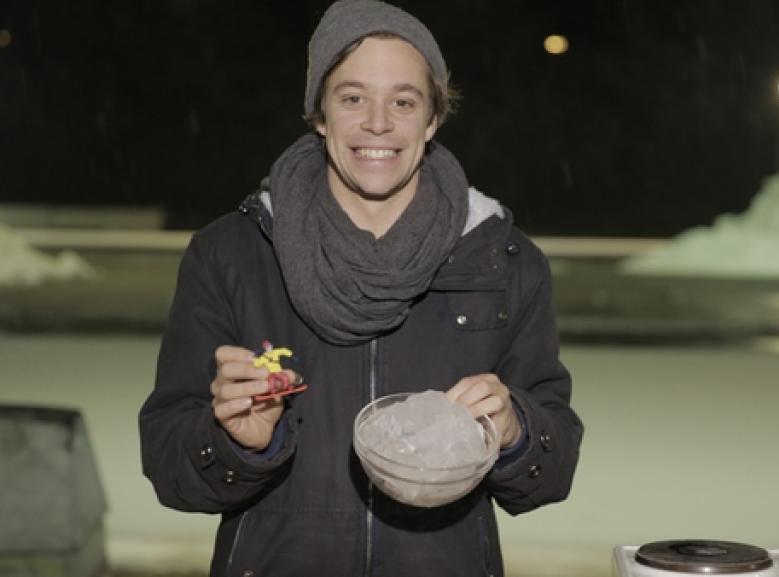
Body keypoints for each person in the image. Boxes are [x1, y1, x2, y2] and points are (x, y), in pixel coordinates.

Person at [138, 1, 583, 575]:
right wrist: (237, 442)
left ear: (432, 120)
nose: (378, 123)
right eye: (352, 98)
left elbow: (552, 473)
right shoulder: (232, 255)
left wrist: (515, 430)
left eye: (404, 101)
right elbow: (170, 469)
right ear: (319, 114)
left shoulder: (504, 261)